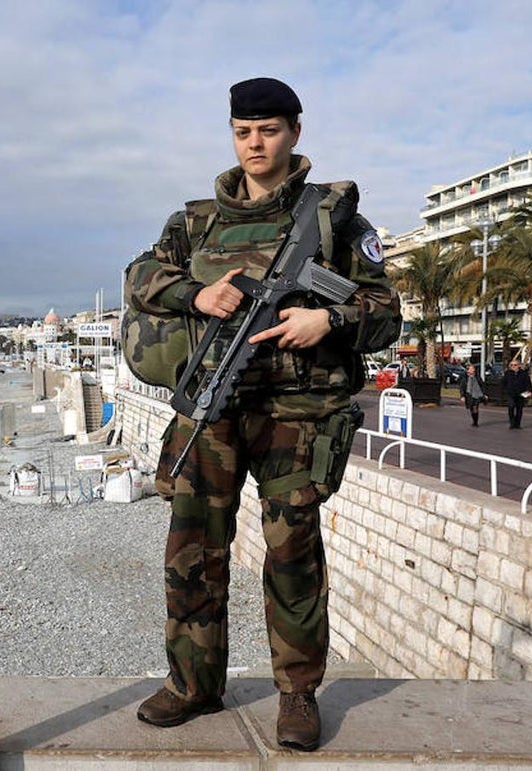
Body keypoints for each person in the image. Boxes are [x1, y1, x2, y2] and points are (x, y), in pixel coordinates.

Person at [124, 77, 401, 751]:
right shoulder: (194, 223)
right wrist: (196, 294)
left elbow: (386, 312)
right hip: (213, 409)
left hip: (297, 416)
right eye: (243, 132)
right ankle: (193, 684)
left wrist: (327, 320)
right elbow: (139, 278)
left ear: (294, 133)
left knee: (292, 554)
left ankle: (298, 694)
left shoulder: (334, 220)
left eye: (269, 131)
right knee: (192, 551)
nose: (255, 144)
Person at [501, 360, 532, 429]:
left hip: (521, 394)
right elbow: (503, 382)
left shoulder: (523, 374)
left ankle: (517, 424)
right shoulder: (507, 373)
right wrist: (505, 390)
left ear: (519, 366)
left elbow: (528, 383)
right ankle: (512, 423)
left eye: (515, 365)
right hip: (510, 393)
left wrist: (529, 391)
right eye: (511, 365)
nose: (513, 366)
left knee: (519, 409)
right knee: (511, 406)